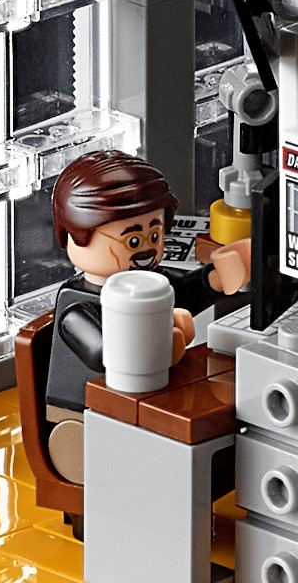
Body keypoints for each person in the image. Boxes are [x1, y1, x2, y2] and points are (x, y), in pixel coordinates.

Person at [39, 150, 253, 483]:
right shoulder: (77, 306)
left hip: (145, 404)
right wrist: (163, 338)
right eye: (133, 239)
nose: (146, 249)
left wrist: (216, 277)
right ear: (75, 236)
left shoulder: (149, 284)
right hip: (88, 418)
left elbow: (185, 293)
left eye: (155, 235)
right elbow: (103, 352)